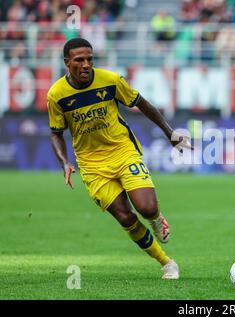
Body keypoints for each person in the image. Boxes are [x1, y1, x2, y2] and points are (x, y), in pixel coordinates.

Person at [47, 38, 192, 279]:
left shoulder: (111, 80)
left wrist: (170, 134)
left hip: (122, 152)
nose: (86, 65)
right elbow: (56, 133)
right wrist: (64, 162)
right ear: (67, 62)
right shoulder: (56, 94)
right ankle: (166, 263)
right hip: (92, 166)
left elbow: (143, 104)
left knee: (147, 207)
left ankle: (156, 218)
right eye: (79, 60)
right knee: (125, 216)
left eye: (90, 59)